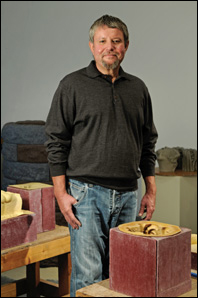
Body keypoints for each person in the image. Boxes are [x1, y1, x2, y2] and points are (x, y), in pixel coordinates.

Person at [45, 14, 158, 297]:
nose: (110, 47)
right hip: (86, 195)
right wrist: (61, 192)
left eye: (116, 41)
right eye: (103, 41)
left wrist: (150, 190)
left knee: (123, 275)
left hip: (128, 195)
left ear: (126, 46)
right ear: (92, 46)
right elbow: (56, 140)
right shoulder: (72, 85)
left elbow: (148, 142)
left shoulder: (138, 89)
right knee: (88, 278)